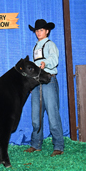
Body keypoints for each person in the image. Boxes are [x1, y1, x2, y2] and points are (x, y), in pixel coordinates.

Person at [24, 19, 64, 157]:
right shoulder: (36, 46)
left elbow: (54, 60)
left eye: (41, 30)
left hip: (48, 80)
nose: (38, 32)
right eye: (36, 30)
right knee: (36, 116)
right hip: (36, 83)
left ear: (47, 31)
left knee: (53, 115)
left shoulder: (50, 44)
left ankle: (58, 146)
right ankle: (36, 144)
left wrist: (44, 63)